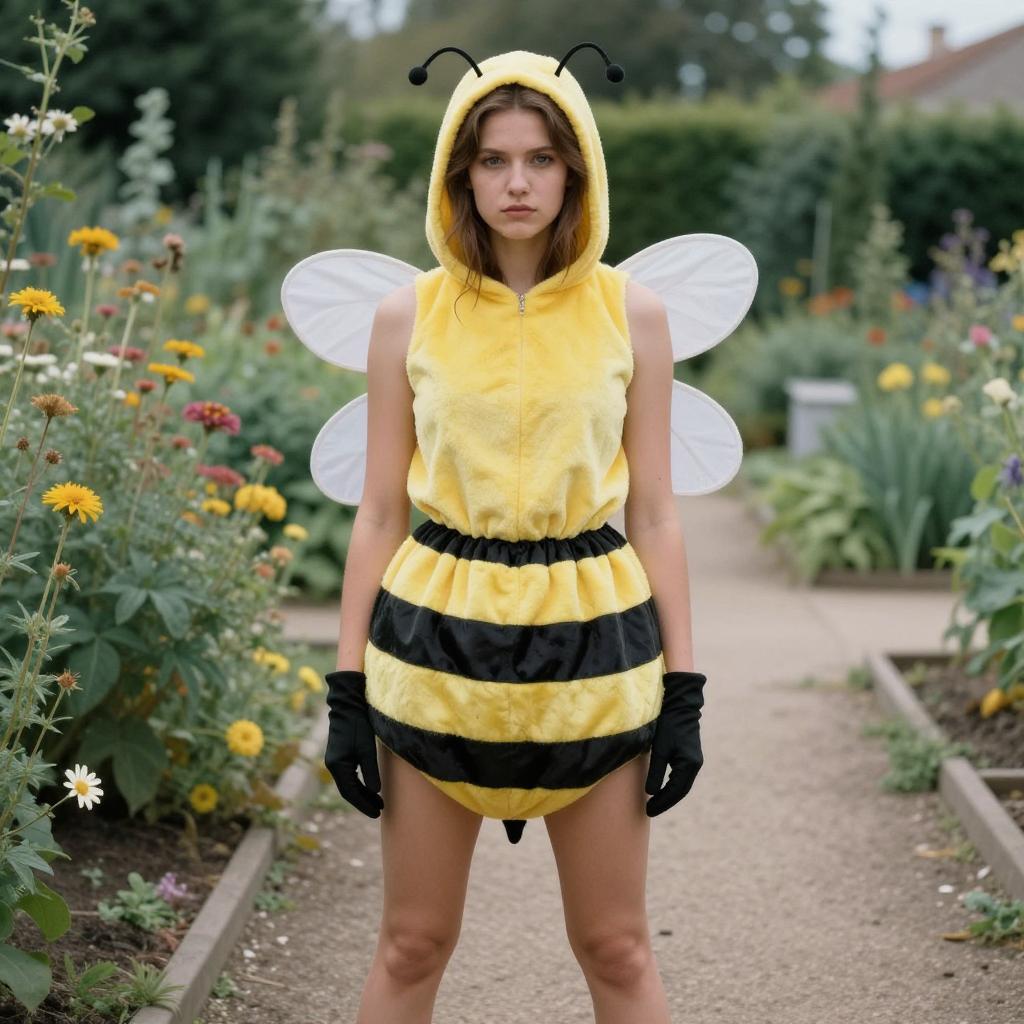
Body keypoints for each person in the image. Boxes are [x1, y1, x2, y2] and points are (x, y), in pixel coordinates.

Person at [323, 46, 707, 1024]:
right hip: (435, 651)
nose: (517, 183)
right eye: (492, 160)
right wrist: (345, 687)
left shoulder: (634, 313)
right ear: (459, 173)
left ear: (577, 171)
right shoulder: (407, 314)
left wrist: (685, 689)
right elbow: (380, 510)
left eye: (541, 159)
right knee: (412, 942)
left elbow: (655, 511)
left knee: (617, 946)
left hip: (593, 657)